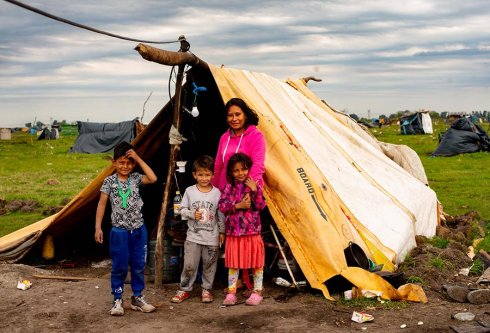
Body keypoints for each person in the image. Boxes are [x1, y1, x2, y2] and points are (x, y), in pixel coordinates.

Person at [95, 141, 158, 316]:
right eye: (121, 162)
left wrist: (138, 158)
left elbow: (153, 178)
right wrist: (97, 227)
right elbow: (101, 204)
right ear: (114, 163)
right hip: (119, 232)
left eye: (129, 163)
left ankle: (137, 298)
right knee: (120, 266)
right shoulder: (109, 181)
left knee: (138, 265)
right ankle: (117, 299)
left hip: (138, 230)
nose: (125, 166)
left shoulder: (136, 178)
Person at [171, 155, 225, 304]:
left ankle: (207, 289)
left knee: (210, 265)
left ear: (213, 175)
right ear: (194, 175)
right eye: (200, 174)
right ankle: (184, 289)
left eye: (207, 174)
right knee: (189, 265)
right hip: (193, 237)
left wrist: (222, 231)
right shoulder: (189, 191)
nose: (204, 178)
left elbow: (220, 214)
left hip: (211, 237)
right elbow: (181, 210)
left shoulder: (217, 193)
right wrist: (191, 214)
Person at [218, 153, 267, 306]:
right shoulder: (228, 188)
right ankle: (232, 293)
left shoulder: (254, 186)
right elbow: (222, 206)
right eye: (236, 170)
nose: (240, 173)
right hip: (234, 233)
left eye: (244, 169)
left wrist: (254, 190)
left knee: (256, 263)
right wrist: (237, 206)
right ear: (231, 172)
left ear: (249, 169)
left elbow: (261, 206)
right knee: (234, 264)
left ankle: (257, 291)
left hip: (252, 232)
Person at [213, 98, 266, 192]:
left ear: (245, 115)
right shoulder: (224, 137)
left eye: (238, 114)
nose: (234, 119)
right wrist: (214, 190)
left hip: (246, 193)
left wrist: (247, 191)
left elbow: (258, 166)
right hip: (225, 193)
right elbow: (218, 166)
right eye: (230, 115)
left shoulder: (256, 136)